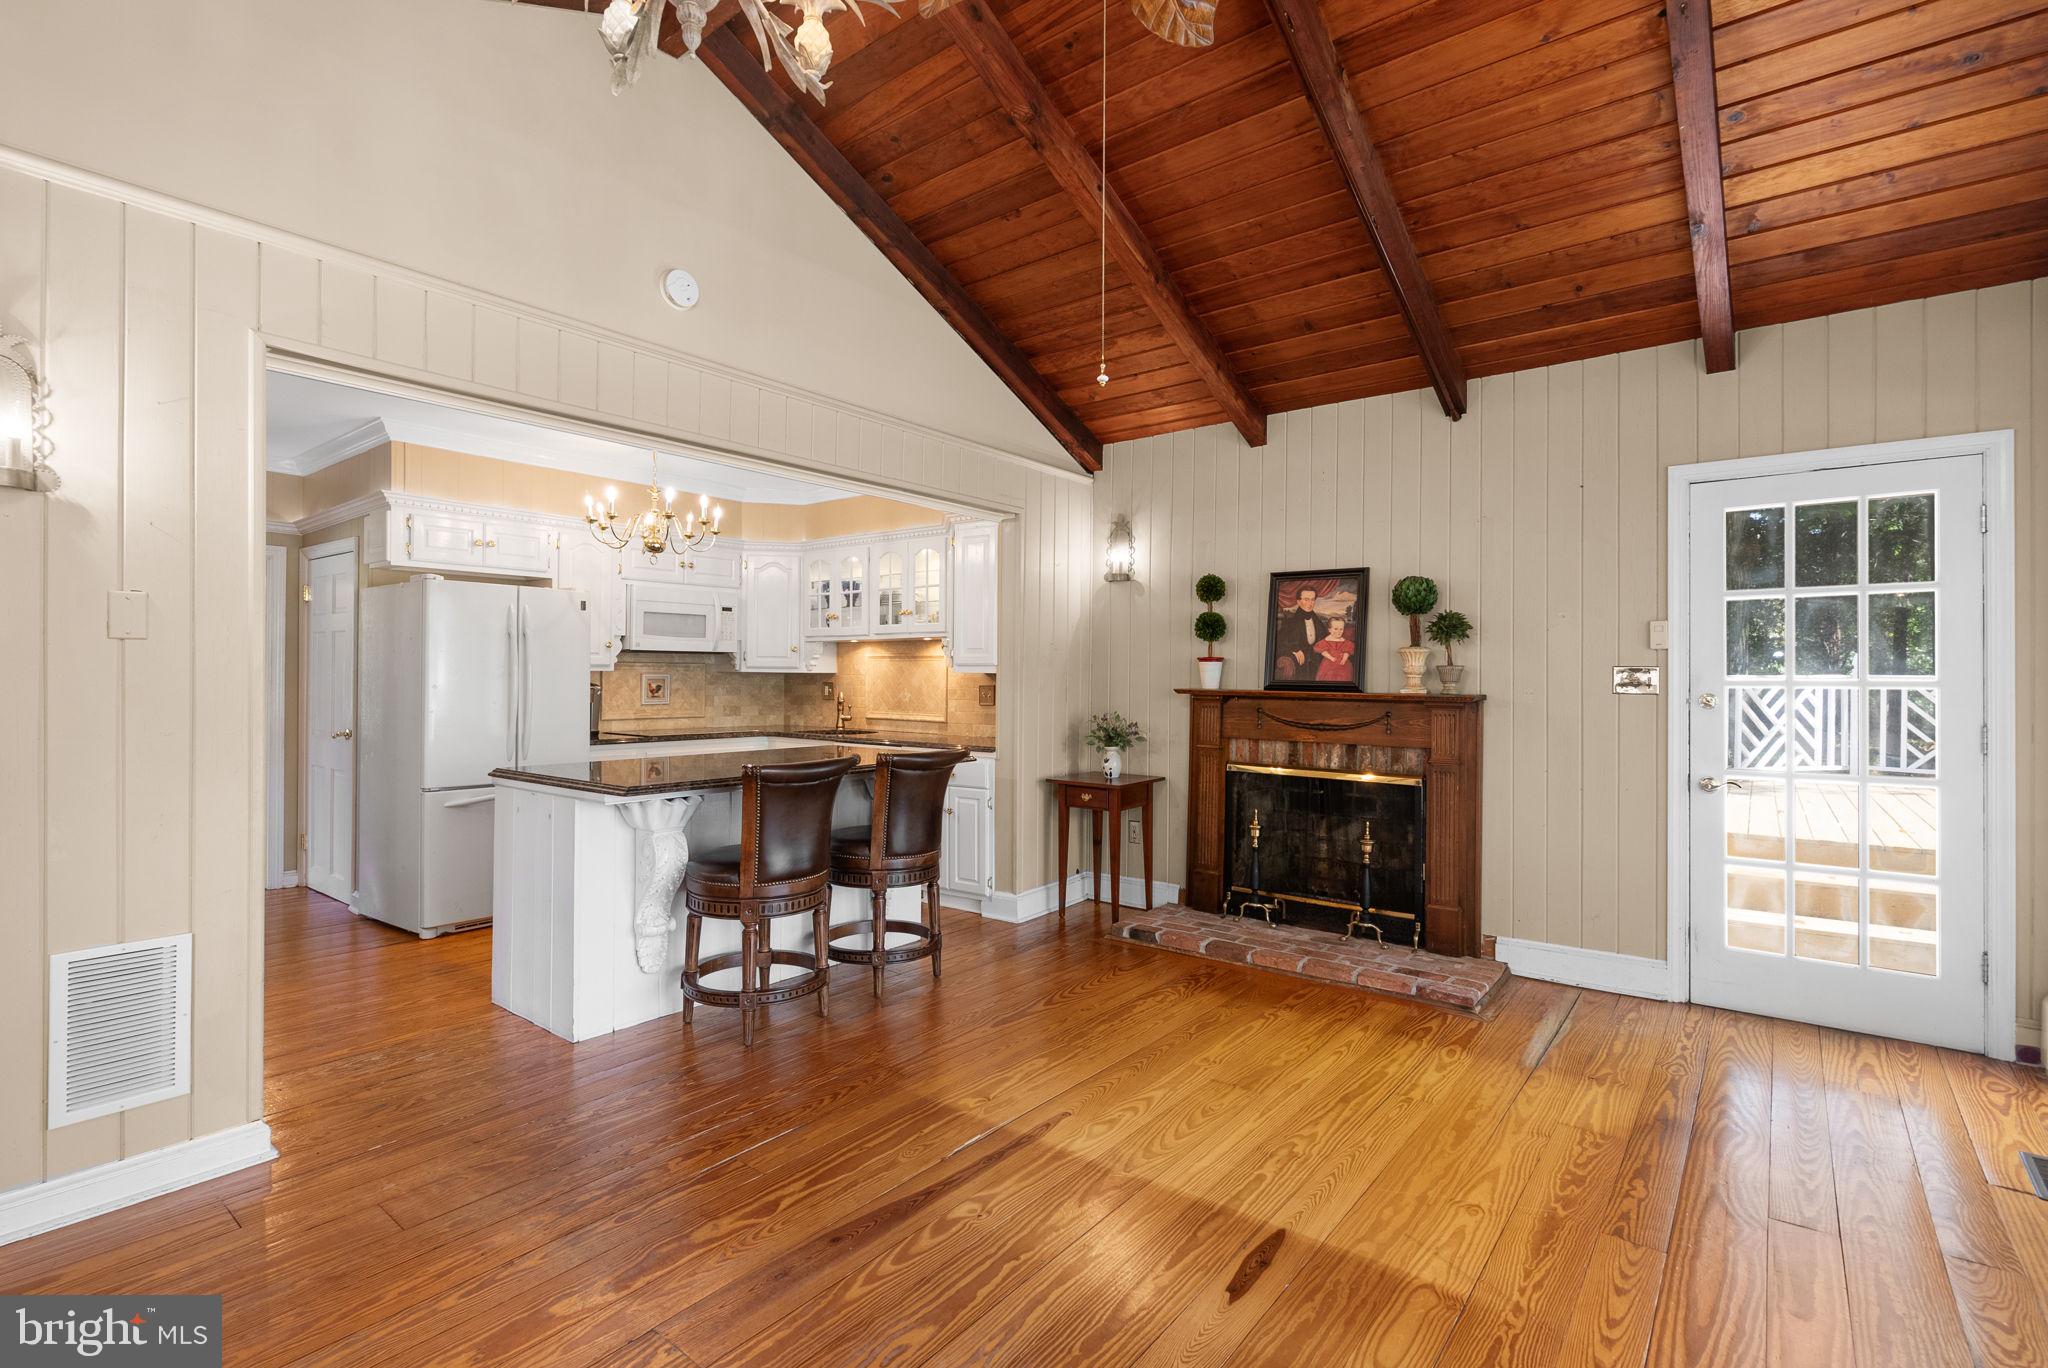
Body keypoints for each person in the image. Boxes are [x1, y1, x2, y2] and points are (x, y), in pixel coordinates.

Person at [1274, 585, 1323, 680]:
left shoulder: (1318, 621)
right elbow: (1279, 643)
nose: (1310, 603)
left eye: (1312, 600)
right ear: (1298, 602)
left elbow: (1324, 638)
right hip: (1300, 663)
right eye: (1306, 599)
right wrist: (1295, 650)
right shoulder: (1290, 622)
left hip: (1315, 659)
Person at [1312, 615, 1355, 683]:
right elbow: (1323, 651)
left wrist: (1344, 659)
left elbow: (1347, 651)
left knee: (1344, 677)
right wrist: (1331, 658)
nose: (1339, 631)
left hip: (1343, 664)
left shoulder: (1345, 641)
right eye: (1336, 629)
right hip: (1329, 663)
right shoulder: (1325, 641)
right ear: (1329, 629)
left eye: (1341, 629)